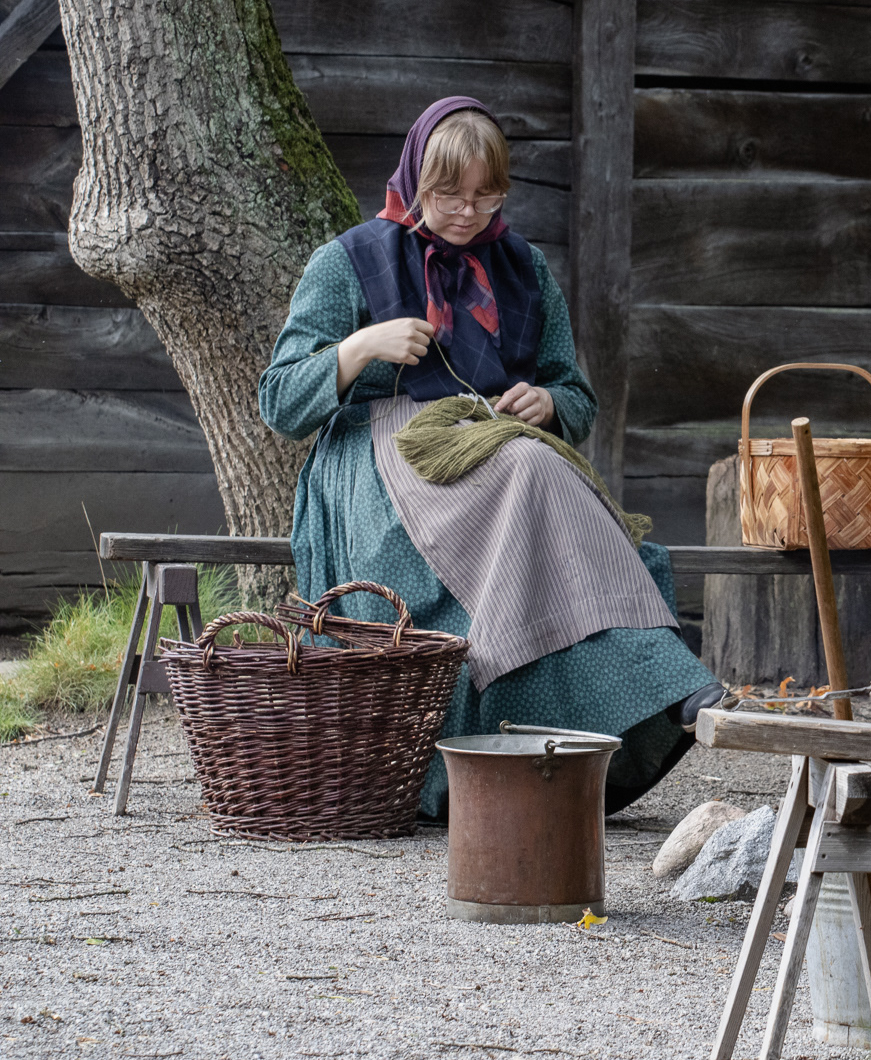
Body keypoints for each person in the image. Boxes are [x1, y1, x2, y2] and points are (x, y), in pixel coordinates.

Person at [259, 96, 722, 817]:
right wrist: (358, 348)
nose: (467, 212)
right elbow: (280, 401)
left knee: (534, 472)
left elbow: (573, 391)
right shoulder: (348, 261)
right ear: (414, 178)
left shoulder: (524, 268)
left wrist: (550, 404)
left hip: (497, 450)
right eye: (447, 194)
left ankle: (559, 752)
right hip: (384, 463)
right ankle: (666, 682)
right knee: (534, 474)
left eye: (486, 196)